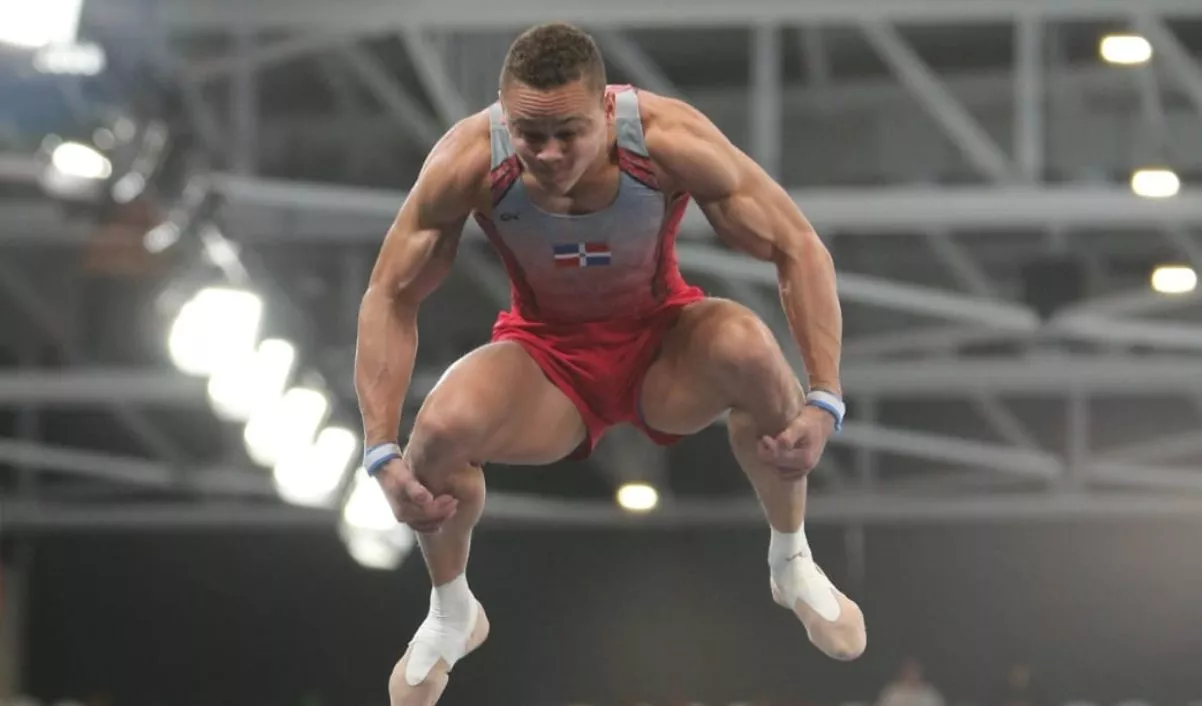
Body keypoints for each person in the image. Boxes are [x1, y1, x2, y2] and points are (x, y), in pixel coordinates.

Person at [354, 21, 866, 705]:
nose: (548, 154)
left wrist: (825, 396)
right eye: (530, 135)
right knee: (438, 432)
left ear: (605, 110)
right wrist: (380, 450)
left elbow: (797, 245)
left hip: (661, 345)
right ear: (504, 116)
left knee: (749, 349)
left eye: (567, 133)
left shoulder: (667, 139)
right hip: (546, 361)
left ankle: (791, 557)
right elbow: (390, 294)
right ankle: (452, 612)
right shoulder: (469, 160)